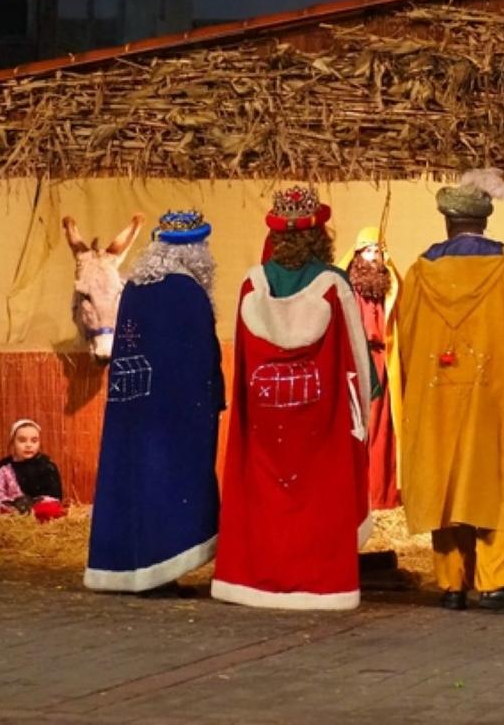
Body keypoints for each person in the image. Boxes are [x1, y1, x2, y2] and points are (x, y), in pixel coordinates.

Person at [211, 185, 373, 610]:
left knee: (267, 492)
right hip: (321, 414)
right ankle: (316, 583)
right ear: (320, 234)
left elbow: (244, 358)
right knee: (316, 497)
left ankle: (260, 580)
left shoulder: (251, 283)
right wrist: (366, 400)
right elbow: (356, 352)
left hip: (265, 414)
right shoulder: (333, 284)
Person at [398, 169, 504, 614]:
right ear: (485, 221)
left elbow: (406, 342)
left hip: (438, 396)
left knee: (447, 480)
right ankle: (499, 580)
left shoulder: (419, 271)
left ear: (447, 222)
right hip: (497, 396)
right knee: (500, 478)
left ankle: (453, 583)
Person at [84, 210, 225, 594]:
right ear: (193, 251)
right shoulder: (187, 292)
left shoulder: (135, 289)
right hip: (174, 413)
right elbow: (200, 357)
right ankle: (159, 568)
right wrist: (211, 399)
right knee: (168, 483)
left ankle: (130, 566)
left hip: (133, 405)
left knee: (133, 481)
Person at [338, 225, 404, 510]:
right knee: (357, 427)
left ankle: (380, 495)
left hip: (381, 363)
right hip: (356, 361)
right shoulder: (348, 286)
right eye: (368, 250)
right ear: (356, 254)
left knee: (381, 429)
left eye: (378, 251)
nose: (373, 256)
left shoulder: (387, 286)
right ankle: (353, 492)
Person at [0, 418, 66, 522]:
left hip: (38, 507)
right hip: (12, 508)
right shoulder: (5, 466)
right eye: (22, 440)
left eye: (34, 441)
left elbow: (54, 495)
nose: (28, 445)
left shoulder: (46, 465)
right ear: (13, 442)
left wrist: (33, 502)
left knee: (52, 509)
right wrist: (13, 504)